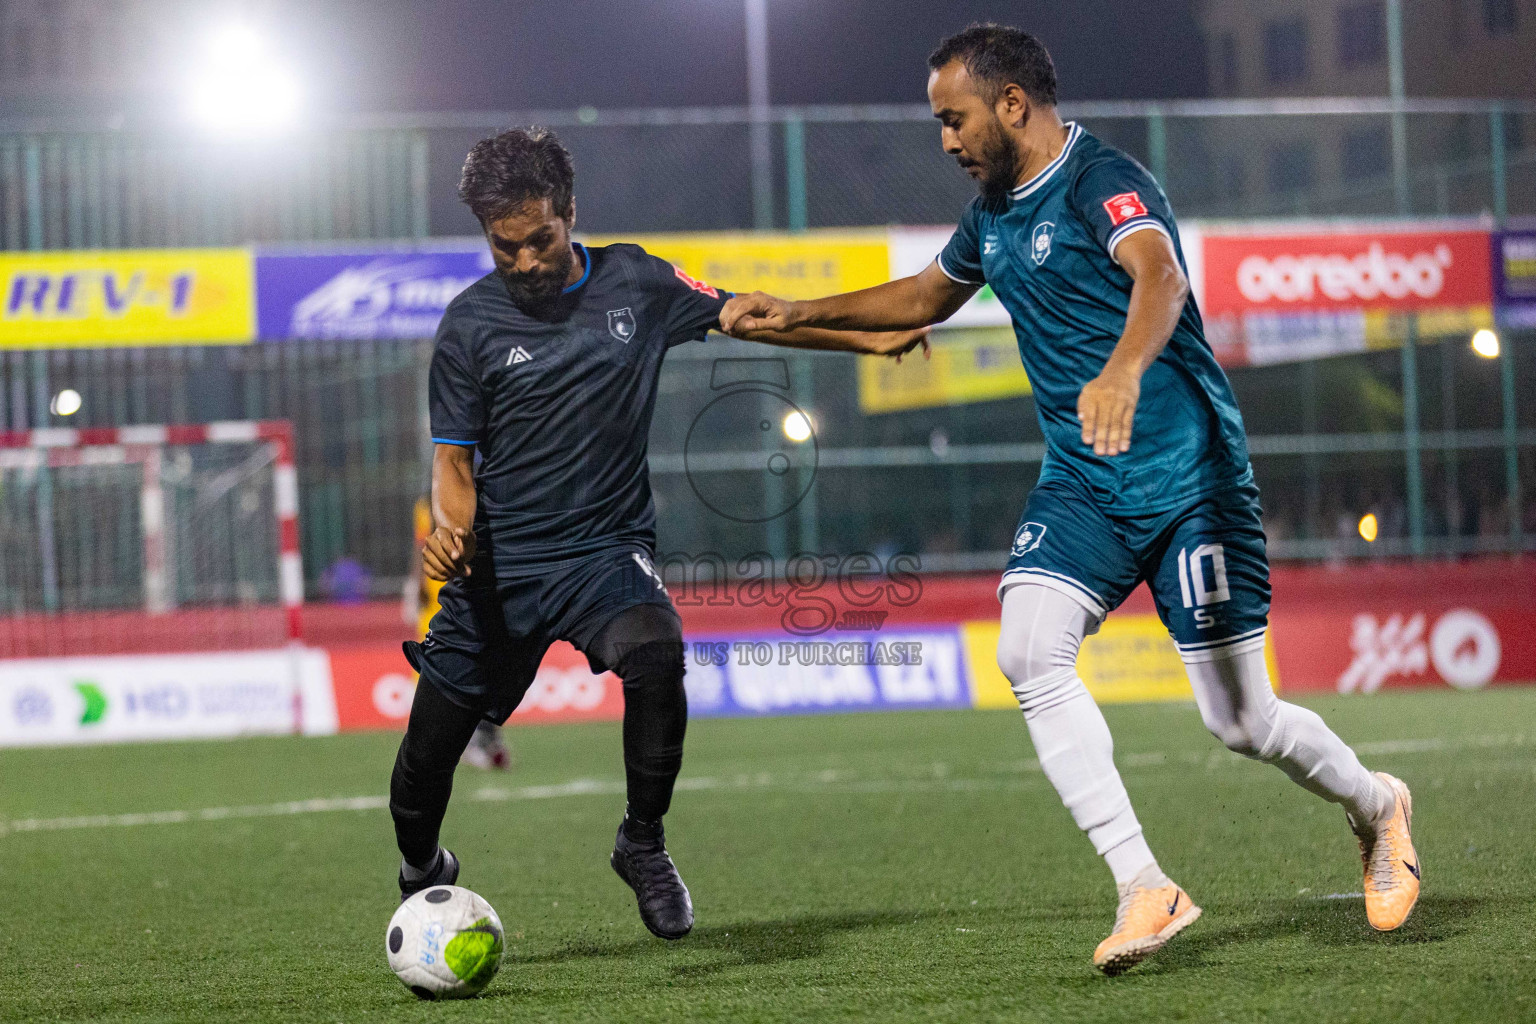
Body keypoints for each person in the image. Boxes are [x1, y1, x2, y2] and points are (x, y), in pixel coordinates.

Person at [721, 23, 1420, 973]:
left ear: (1012, 104)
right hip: (1085, 482)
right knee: (1026, 649)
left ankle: (1380, 809)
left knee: (1242, 723)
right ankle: (1145, 886)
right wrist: (794, 313)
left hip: (1189, 481)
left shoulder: (1102, 180)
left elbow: (1161, 277)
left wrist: (1126, 369)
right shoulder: (993, 214)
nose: (946, 140)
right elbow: (925, 299)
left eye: (953, 118)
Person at [390, 127, 927, 939]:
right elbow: (454, 466)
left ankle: (642, 843)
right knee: (422, 768)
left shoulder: (636, 281)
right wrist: (450, 531)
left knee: (656, 652)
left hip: (605, 552)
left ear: (571, 213)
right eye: (507, 249)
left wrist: (865, 336)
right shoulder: (469, 327)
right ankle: (423, 868)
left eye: (541, 240)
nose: (527, 262)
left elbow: (752, 318)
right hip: (498, 569)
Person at [406, 494, 511, 770]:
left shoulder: (472, 501)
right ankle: (460, 739)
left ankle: (482, 737)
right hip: (436, 594)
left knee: (479, 663)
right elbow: (421, 547)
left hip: (463, 591)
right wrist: (417, 582)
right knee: (440, 667)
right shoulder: (425, 506)